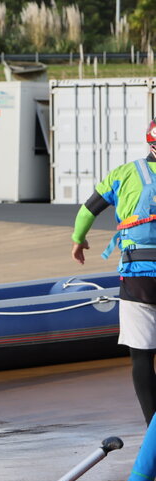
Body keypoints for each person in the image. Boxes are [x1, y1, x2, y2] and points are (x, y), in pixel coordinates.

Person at [73, 118, 156, 425]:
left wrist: (78, 241)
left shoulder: (124, 174)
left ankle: (153, 430)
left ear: (149, 143)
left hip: (138, 276)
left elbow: (88, 209)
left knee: (142, 355)